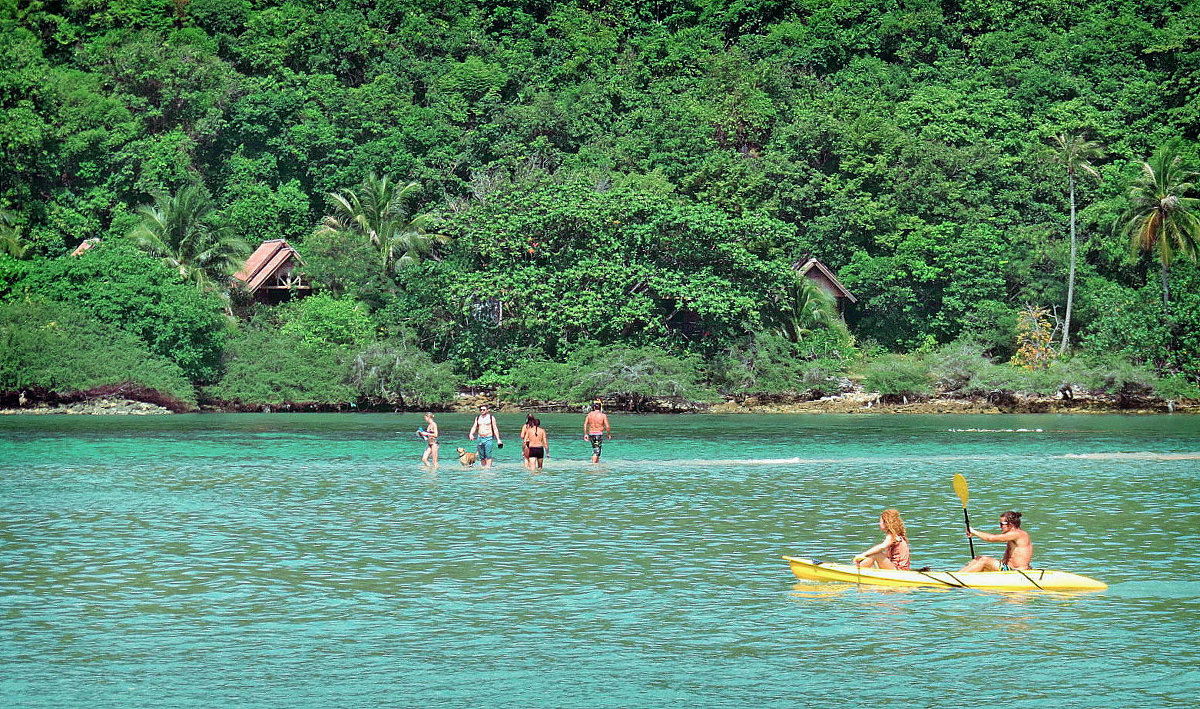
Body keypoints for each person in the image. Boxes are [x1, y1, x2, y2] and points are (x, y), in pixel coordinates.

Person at [959, 510, 1033, 571]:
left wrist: (974, 532)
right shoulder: (1012, 536)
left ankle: (959, 578)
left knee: (984, 560)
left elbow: (991, 538)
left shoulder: (1017, 534)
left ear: (1010, 524)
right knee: (978, 558)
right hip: (1008, 569)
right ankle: (958, 575)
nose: (1000, 527)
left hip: (1016, 571)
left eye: (1001, 524)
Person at [468, 404, 502, 468]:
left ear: (487, 410)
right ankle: (483, 468)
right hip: (480, 438)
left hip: (488, 437)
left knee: (488, 454)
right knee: (481, 456)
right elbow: (474, 427)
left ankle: (488, 469)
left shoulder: (491, 418)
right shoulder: (478, 418)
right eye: (481, 410)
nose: (482, 411)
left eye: (484, 409)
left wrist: (498, 439)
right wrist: (471, 434)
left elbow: (495, 428)